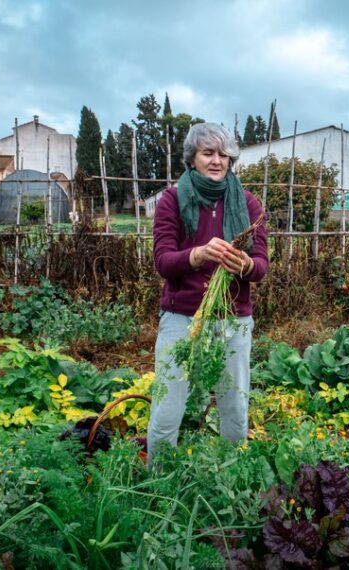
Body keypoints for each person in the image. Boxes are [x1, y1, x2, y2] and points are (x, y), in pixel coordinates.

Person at [147, 122, 268, 466]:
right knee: (168, 405)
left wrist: (244, 264)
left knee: (234, 405)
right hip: (182, 317)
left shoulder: (249, 204)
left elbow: (261, 266)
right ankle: (157, 476)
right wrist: (197, 255)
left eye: (223, 154)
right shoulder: (172, 200)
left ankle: (232, 474)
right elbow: (163, 261)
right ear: (192, 159)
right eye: (207, 153)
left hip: (234, 318)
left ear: (231, 159)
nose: (216, 160)